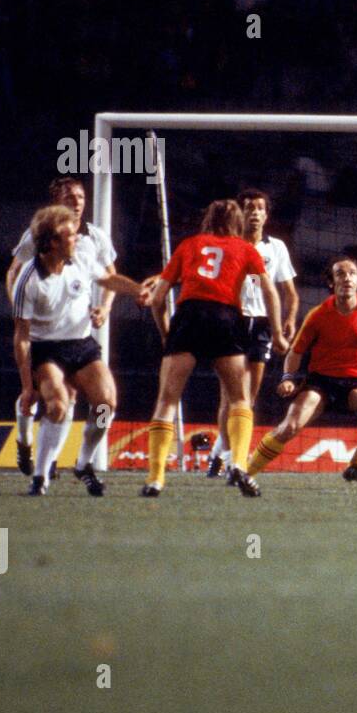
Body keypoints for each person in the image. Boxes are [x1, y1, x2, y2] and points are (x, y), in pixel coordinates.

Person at [140, 200, 287, 498]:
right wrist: (277, 331)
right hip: (225, 319)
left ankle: (155, 479)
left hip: (189, 317)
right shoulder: (246, 250)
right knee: (240, 400)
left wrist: (167, 333)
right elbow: (268, 290)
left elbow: (157, 299)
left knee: (167, 400)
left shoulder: (189, 245)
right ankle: (239, 466)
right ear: (237, 223)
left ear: (208, 219)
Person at [12, 205, 149, 496]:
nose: (77, 239)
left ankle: (84, 462)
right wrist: (27, 387)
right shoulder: (28, 280)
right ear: (52, 243)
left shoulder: (81, 260)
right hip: (46, 349)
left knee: (105, 405)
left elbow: (109, 279)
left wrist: (138, 290)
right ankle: (40, 476)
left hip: (81, 344)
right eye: (71, 236)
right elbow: (21, 337)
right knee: (58, 406)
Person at [246, 256, 357, 485]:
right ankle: (246, 473)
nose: (347, 278)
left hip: (356, 387)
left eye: (352, 273)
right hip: (319, 385)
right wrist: (288, 378)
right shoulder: (318, 315)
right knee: (289, 427)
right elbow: (295, 352)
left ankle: (355, 465)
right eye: (340, 274)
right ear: (331, 282)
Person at [6, 177, 118, 478]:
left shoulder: (94, 237)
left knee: (78, 399)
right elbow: (15, 271)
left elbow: (110, 277)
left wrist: (105, 307)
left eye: (81, 196)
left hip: (78, 336)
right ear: (57, 201)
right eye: (70, 196)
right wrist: (20, 307)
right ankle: (25, 439)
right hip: (44, 338)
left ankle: (62, 462)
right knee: (47, 397)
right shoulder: (40, 235)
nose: (77, 201)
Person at [206, 189, 299, 479]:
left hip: (261, 325)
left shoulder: (277, 248)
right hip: (231, 321)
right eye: (249, 207)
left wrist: (290, 318)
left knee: (250, 396)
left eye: (260, 208)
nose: (255, 213)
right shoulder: (227, 245)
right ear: (239, 213)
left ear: (266, 215)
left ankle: (219, 453)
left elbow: (290, 293)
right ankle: (228, 457)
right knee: (229, 395)